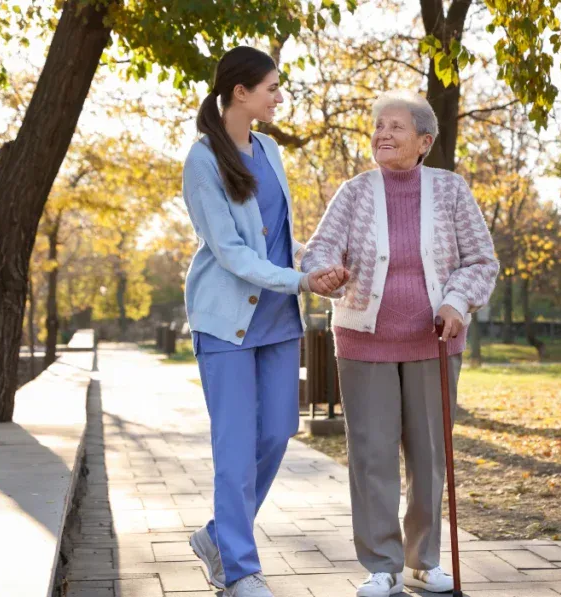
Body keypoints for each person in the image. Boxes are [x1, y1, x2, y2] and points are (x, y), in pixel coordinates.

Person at [301, 91, 499, 597]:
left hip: (434, 340)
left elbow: (481, 261)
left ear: (424, 141)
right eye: (378, 127)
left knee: (430, 455)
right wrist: (325, 274)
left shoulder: (451, 191)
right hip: (363, 341)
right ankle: (382, 565)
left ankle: (423, 560)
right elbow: (320, 249)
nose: (382, 135)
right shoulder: (354, 192)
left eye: (395, 127)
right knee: (371, 454)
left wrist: (456, 302)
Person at [181, 46, 348, 597]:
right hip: (225, 319)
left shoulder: (270, 149)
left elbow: (272, 237)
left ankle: (216, 536)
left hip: (279, 317)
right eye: (272, 87)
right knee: (234, 445)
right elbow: (230, 251)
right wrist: (299, 280)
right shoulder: (203, 159)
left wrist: (311, 264)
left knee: (278, 431)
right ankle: (240, 568)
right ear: (240, 93)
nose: (279, 96)